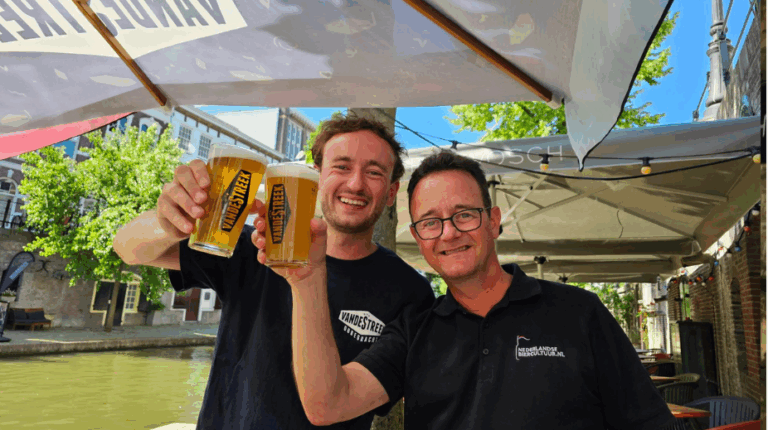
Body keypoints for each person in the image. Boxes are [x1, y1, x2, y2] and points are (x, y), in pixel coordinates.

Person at [259, 151, 675, 429]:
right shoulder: (415, 328)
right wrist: (308, 279)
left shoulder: (579, 312)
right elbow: (327, 405)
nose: (449, 233)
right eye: (430, 221)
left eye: (464, 215)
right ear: (419, 238)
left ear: (493, 221)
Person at [112, 114, 435, 430]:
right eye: (341, 166)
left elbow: (333, 406)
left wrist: (308, 278)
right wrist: (170, 219)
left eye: (375, 172)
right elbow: (128, 248)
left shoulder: (410, 292)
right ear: (317, 176)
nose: (355, 183)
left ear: (392, 193)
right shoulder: (253, 248)